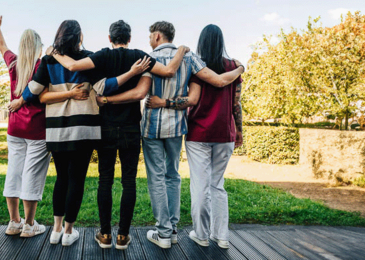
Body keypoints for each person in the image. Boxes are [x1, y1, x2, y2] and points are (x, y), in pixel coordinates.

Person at [100, 21, 244, 249]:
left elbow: (141, 92)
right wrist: (240, 68)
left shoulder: (146, 59)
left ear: (157, 36)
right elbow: (216, 81)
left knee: (156, 177)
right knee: (173, 175)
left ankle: (163, 232)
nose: (149, 39)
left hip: (152, 127)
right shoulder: (189, 58)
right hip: (177, 127)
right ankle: (174, 230)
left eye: (150, 36)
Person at [49, 20, 188, 250]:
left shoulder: (101, 56)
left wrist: (53, 52)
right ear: (129, 38)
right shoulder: (140, 56)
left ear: (109, 38)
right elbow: (168, 71)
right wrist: (181, 49)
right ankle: (123, 236)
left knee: (105, 180)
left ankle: (104, 235)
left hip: (105, 127)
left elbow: (73, 66)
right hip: (131, 128)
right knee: (128, 182)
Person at [20, 20, 151, 246]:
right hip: (85, 129)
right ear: (79, 36)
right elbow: (103, 86)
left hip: (57, 130)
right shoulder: (89, 59)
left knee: (62, 178)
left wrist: (19, 99)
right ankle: (69, 231)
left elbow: (34, 92)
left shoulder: (48, 60)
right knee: (77, 179)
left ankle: (56, 229)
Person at [148, 24, 243, 249]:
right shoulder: (233, 66)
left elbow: (191, 99)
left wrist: (165, 102)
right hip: (225, 133)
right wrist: (239, 130)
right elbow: (236, 103)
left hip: (199, 132)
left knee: (200, 185)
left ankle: (200, 234)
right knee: (217, 185)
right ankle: (221, 237)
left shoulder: (197, 65)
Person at [0, 14, 49, 238]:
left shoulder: (13, 62)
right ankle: (29, 225)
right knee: (32, 175)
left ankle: (14, 222)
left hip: (14, 129)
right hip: (37, 130)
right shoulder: (42, 66)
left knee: (14, 172)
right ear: (38, 47)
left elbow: (1, 45)